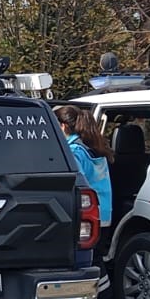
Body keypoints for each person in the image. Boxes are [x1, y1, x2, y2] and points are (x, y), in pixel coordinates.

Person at [56, 104, 112, 258]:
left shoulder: (74, 151)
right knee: (98, 259)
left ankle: (100, 283)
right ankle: (105, 283)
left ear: (63, 126)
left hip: (87, 217)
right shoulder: (94, 147)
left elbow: (75, 181)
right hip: (105, 213)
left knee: (90, 262)